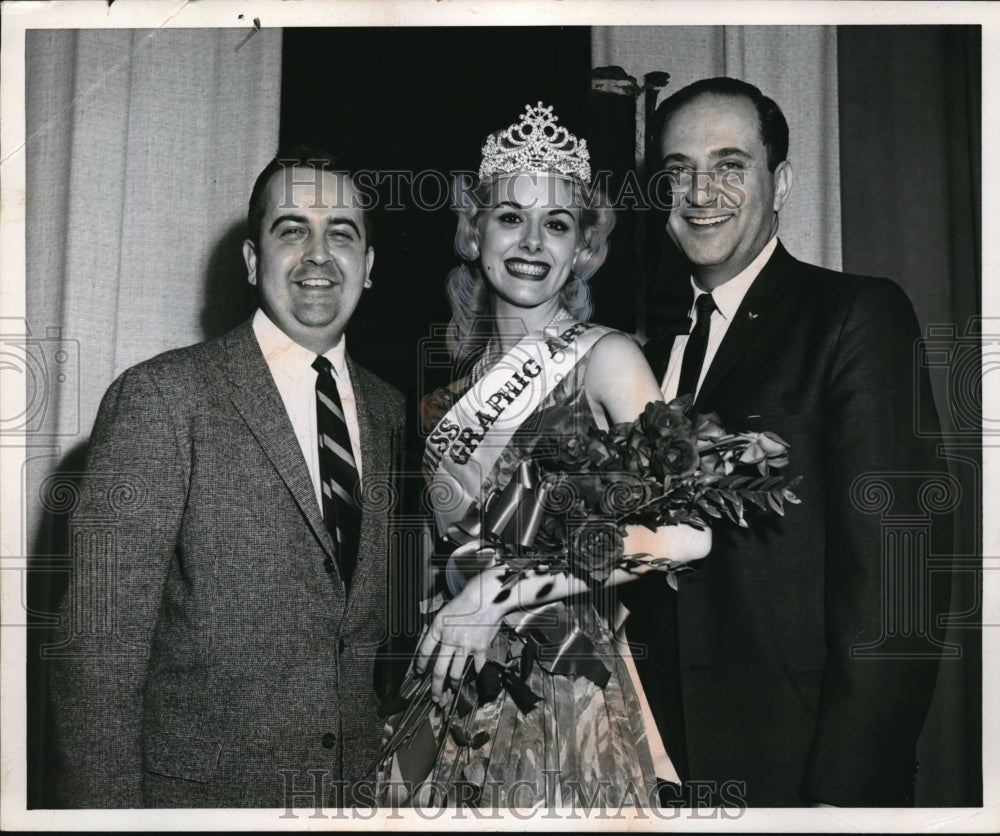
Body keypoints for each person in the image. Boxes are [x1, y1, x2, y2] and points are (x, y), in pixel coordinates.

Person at [48, 147, 406, 807]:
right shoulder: (162, 398)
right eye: (292, 229)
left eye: (343, 234)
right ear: (251, 261)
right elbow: (94, 657)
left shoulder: (390, 412)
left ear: (370, 267)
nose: (319, 254)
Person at [630, 77, 951, 806]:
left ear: (783, 182)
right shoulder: (648, 359)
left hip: (802, 771)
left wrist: (842, 799)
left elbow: (899, 587)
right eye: (678, 170)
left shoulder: (854, 318)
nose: (700, 191)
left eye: (729, 165)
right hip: (661, 774)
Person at [385, 103, 712, 809]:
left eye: (557, 224)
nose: (533, 241)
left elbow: (688, 532)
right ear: (475, 233)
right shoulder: (447, 403)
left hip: (567, 690)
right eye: (510, 217)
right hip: (455, 685)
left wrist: (499, 593)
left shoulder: (609, 358)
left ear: (582, 248)